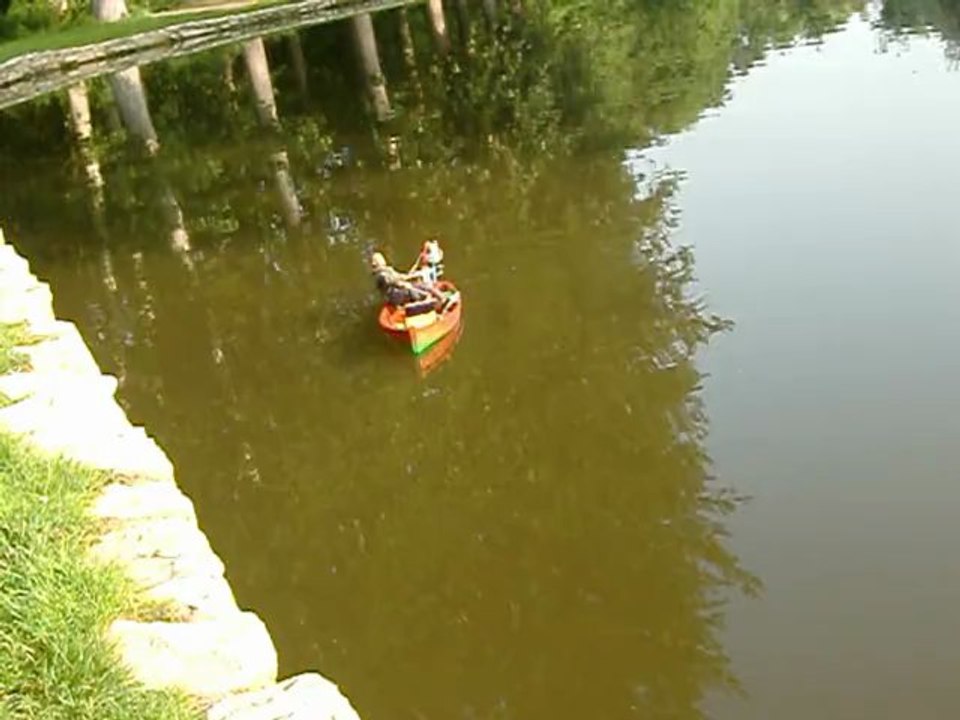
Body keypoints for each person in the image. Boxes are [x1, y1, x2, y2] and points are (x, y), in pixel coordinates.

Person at [370, 251, 444, 307]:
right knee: (413, 291)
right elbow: (395, 282)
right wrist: (405, 284)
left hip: (400, 290)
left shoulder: (388, 269)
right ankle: (432, 304)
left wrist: (411, 275)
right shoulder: (381, 275)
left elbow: (400, 276)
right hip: (394, 296)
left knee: (424, 285)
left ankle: (441, 298)